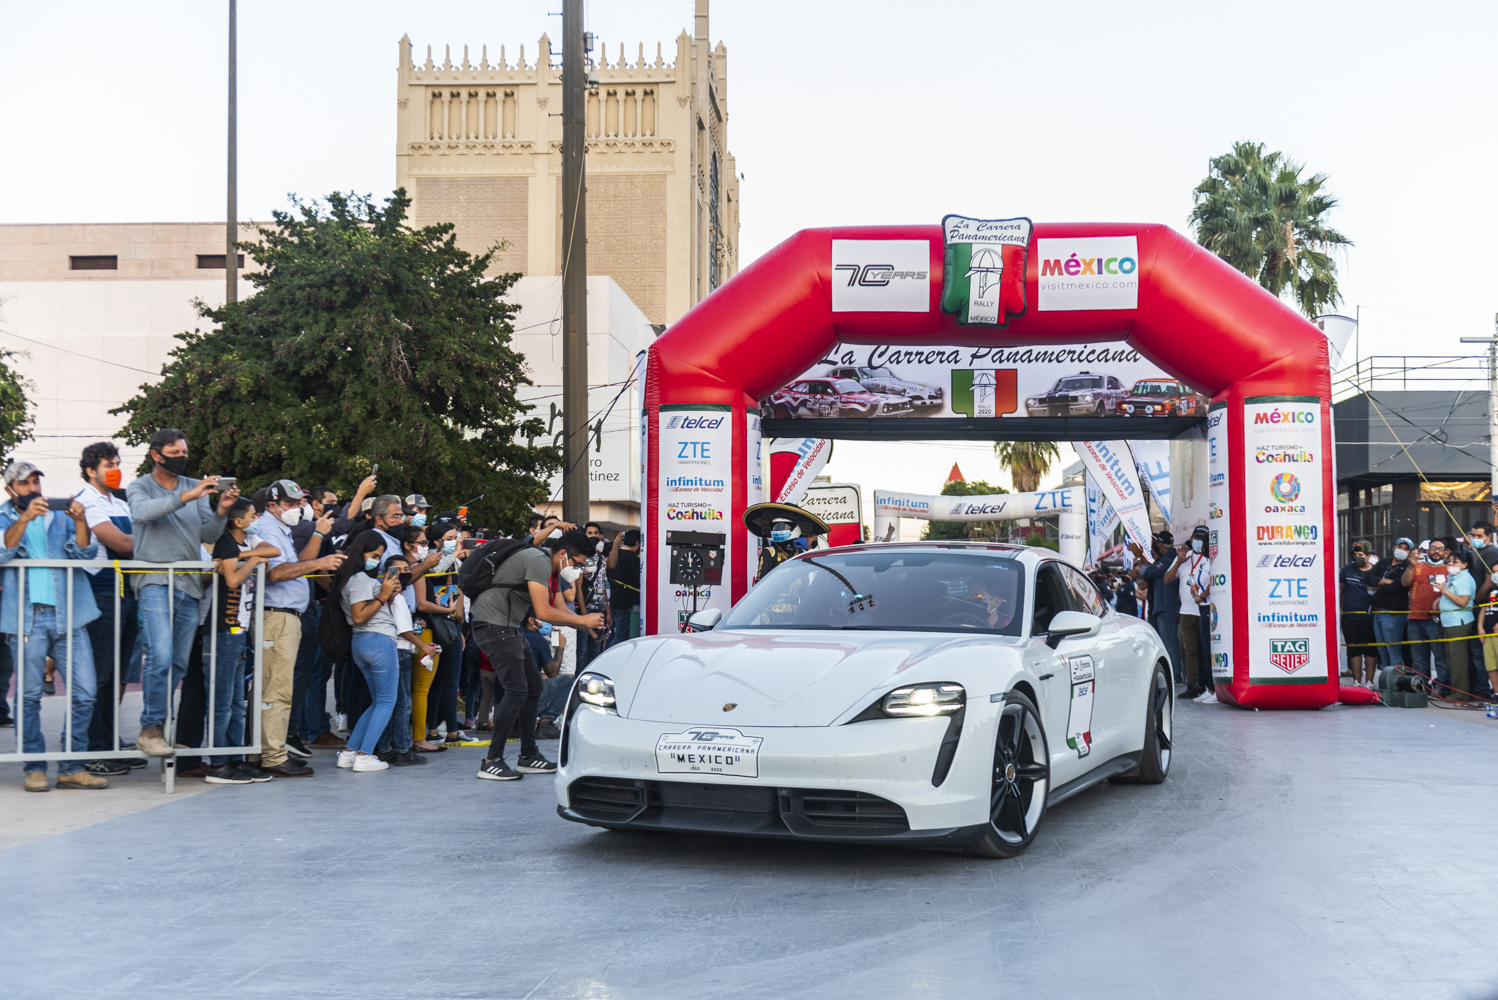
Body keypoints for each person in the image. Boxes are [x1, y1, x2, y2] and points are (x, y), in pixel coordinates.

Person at [126, 428, 240, 756]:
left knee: (176, 663)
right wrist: (186, 497)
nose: (182, 458)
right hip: (154, 579)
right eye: (175, 453)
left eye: (184, 452)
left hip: (189, 583)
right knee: (159, 655)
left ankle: (156, 729)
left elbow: (207, 532)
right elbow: (142, 513)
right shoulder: (140, 486)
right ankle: (150, 727)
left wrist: (221, 510)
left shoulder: (196, 488)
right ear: (156, 455)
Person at [0, 461, 107, 791]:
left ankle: (71, 767)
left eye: (36, 482)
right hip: (26, 619)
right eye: (26, 484)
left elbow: (86, 554)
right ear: (10, 489)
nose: (34, 488)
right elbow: (3, 553)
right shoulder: (5, 517)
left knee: (86, 693)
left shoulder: (58, 514)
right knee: (29, 696)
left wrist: (80, 521)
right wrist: (24, 518)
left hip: (70, 615)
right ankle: (34, 767)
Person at [472, 527, 603, 781]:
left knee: (533, 688)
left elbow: (557, 609)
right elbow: (543, 612)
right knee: (517, 690)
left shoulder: (551, 569)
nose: (578, 570)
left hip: (509, 626)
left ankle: (528, 755)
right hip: (493, 625)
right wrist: (583, 619)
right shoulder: (538, 561)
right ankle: (491, 760)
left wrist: (585, 624)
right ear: (563, 554)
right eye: (577, 563)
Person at [252, 479, 345, 777]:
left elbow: (299, 563)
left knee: (276, 688)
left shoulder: (279, 528)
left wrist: (317, 534)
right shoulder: (268, 529)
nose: (297, 508)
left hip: (284, 616)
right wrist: (320, 561)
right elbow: (278, 572)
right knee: (276, 689)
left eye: (299, 503)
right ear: (272, 505)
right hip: (276, 616)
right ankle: (273, 755)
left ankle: (267, 751)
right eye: (291, 504)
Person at [72, 441, 142, 777]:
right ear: (90, 470)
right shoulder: (86, 501)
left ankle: (109, 744)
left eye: (117, 462)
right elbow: (122, 543)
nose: (115, 469)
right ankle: (92, 750)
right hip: (103, 593)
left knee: (117, 677)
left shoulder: (120, 501)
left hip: (128, 593)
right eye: (108, 464)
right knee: (99, 675)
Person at [203, 498, 279, 783]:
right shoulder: (225, 544)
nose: (256, 517)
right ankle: (218, 763)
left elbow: (275, 549)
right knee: (222, 702)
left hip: (238, 631)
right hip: (223, 631)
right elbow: (233, 580)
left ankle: (236, 758)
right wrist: (254, 560)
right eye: (252, 515)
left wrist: (250, 556)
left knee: (237, 702)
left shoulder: (248, 541)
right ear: (238, 522)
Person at [335, 533, 403, 771]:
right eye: (373, 555)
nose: (377, 560)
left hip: (363, 643)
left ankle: (350, 752)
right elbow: (359, 615)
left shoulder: (352, 579)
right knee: (386, 702)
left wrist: (385, 592)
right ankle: (364, 755)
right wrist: (383, 595)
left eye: (380, 556)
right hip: (377, 640)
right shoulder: (360, 579)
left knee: (378, 702)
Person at [374, 551, 436, 766]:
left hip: (391, 650)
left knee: (389, 703)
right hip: (400, 651)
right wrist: (423, 646)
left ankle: (385, 747)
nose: (402, 575)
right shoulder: (397, 598)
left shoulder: (385, 594)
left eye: (407, 571)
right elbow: (403, 629)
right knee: (402, 704)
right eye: (396, 571)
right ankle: (401, 750)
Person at [1165, 526, 1212, 701]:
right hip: (1186, 611)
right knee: (1190, 650)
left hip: (1205, 609)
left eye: (1203, 538)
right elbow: (1167, 579)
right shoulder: (1184, 558)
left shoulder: (1209, 558)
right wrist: (1178, 562)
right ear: (1191, 539)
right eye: (1197, 537)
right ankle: (1193, 685)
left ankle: (1208, 685)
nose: (1199, 541)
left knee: (1205, 649)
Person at [1131, 531, 1183, 687]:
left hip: (1167, 606)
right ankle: (1172, 674)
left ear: (1160, 545)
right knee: (1165, 643)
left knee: (1170, 643)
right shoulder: (1166, 560)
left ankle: (1176, 676)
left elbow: (1149, 571)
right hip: (1161, 606)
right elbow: (1145, 578)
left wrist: (1139, 556)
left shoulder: (1169, 558)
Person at [1401, 537, 1450, 691]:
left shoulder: (1449, 569)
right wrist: (1411, 566)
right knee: (1419, 659)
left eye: (1440, 549)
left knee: (1440, 656)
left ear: (1445, 552)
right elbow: (1404, 583)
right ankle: (1422, 686)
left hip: (1436, 620)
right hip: (1415, 619)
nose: (1436, 551)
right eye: (1434, 548)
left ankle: (1441, 687)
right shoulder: (1417, 566)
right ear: (1428, 550)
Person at [1432, 546, 1479, 701]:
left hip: (1459, 622)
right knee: (1451, 658)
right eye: (1449, 561)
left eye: (1455, 561)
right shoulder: (1453, 578)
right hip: (1449, 622)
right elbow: (1453, 595)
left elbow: (1463, 601)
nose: (1451, 564)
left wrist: (1444, 591)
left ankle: (1460, 694)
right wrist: (1441, 598)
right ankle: (1455, 691)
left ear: (1464, 564)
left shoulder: (1465, 578)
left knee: (1458, 659)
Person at [1339, 539, 1380, 687]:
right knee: (1354, 650)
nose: (1358, 557)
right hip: (1350, 618)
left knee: (1370, 651)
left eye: (1361, 554)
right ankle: (1356, 681)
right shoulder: (1347, 569)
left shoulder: (1376, 570)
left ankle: (1369, 682)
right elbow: (1339, 588)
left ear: (1369, 556)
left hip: (1369, 618)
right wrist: (1339, 610)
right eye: (1355, 554)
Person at [1371, 537, 1413, 676]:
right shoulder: (1383, 562)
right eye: (1400, 546)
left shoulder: (1407, 567)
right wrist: (1383, 581)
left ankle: (1397, 681)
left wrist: (1378, 586)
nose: (1402, 550)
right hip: (1377, 612)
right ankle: (1386, 680)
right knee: (1382, 649)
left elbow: (1398, 586)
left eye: (1406, 549)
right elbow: (1368, 578)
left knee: (1393, 649)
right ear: (1394, 547)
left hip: (1393, 614)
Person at [607, 528, 641, 645]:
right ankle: (609, 659)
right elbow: (639, 579)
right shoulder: (632, 558)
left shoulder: (614, 555)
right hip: (626, 604)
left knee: (613, 635)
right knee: (621, 637)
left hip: (614, 601)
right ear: (637, 543)